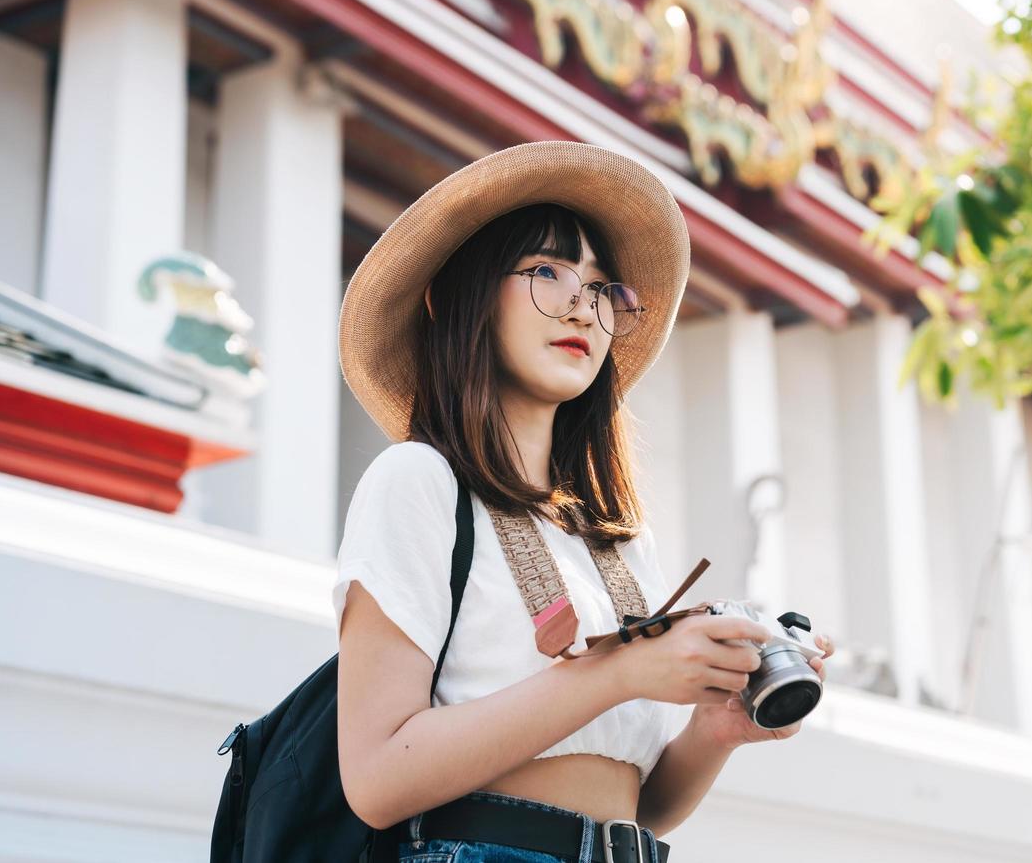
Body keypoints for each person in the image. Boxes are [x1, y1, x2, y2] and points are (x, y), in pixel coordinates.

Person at [333, 141, 834, 863]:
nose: (582, 303)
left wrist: (719, 729)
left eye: (603, 288)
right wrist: (618, 672)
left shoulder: (620, 543)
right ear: (459, 296)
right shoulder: (419, 482)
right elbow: (377, 776)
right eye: (546, 270)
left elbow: (645, 804)